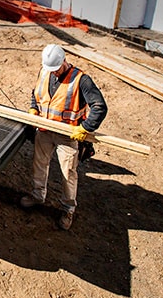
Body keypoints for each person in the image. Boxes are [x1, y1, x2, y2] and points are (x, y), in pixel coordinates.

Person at [20, 44, 108, 231]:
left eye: (56, 69)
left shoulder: (81, 80)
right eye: (50, 69)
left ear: (64, 61)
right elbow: (36, 94)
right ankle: (37, 196)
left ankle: (68, 209)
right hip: (44, 130)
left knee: (68, 172)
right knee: (39, 164)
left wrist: (85, 128)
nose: (53, 72)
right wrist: (33, 108)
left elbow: (99, 107)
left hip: (67, 135)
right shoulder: (44, 72)